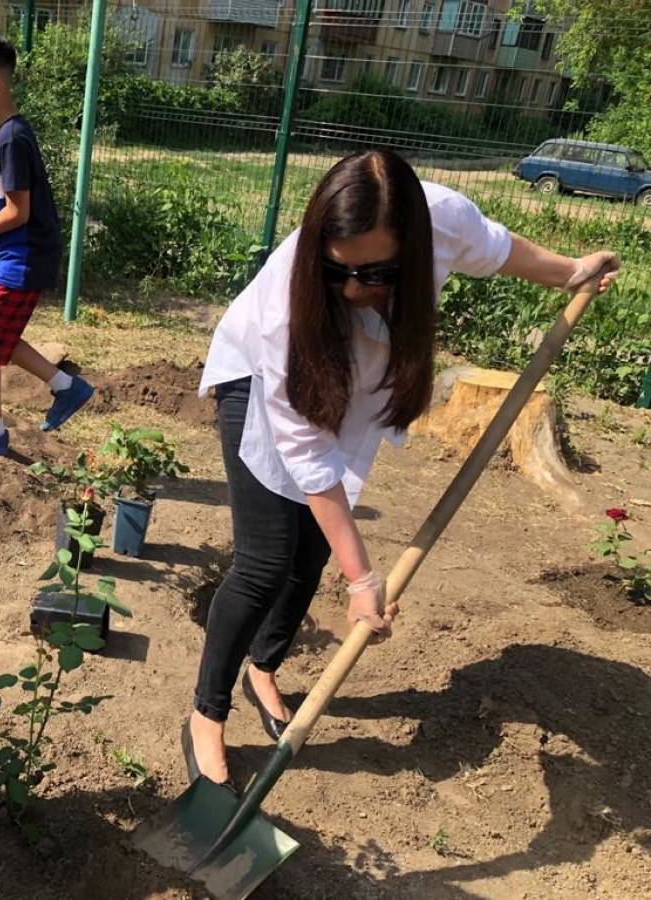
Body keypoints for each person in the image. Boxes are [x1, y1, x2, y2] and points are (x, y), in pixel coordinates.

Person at [184, 148, 619, 787]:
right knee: (266, 557)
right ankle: (205, 715)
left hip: (344, 389)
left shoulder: (443, 218)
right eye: (341, 274)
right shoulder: (285, 302)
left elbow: (500, 250)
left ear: (413, 246)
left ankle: (264, 667)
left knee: (311, 553)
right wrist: (365, 581)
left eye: (378, 272)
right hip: (262, 384)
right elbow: (306, 455)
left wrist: (573, 271)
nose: (357, 289)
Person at [0, 31, 92, 455]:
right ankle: (67, 387)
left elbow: (17, 212)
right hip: (16, 255)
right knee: (0, 339)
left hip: (24, 258)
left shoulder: (12, 138)